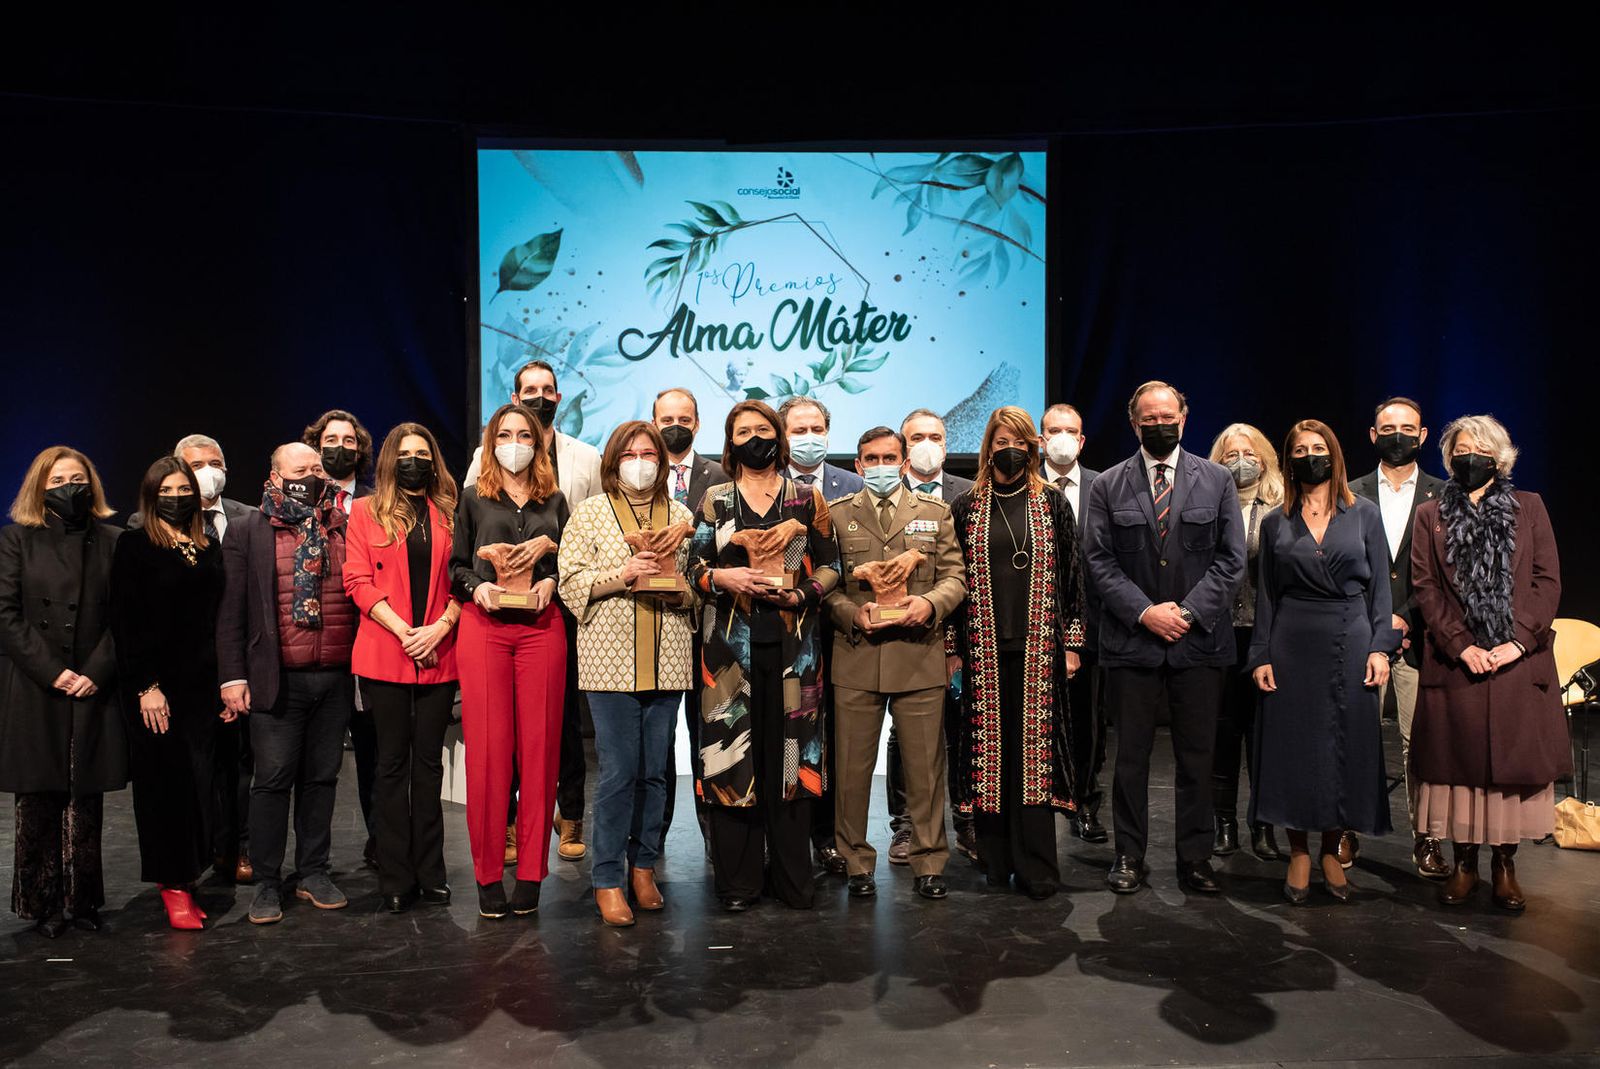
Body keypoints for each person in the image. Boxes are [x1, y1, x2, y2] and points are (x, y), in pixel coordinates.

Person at [1083, 381, 1245, 896]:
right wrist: (1146, 612)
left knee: (1197, 758)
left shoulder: (1217, 480)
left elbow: (1231, 560)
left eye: (1167, 415)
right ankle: (1128, 855)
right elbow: (1098, 562)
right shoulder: (1107, 485)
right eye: (1148, 418)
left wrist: (1190, 613)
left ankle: (1195, 859)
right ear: (1134, 424)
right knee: (1129, 760)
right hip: (1132, 645)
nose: (1159, 424)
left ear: (1184, 416)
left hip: (1200, 646)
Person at [687, 400, 840, 911]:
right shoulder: (716, 500)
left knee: (791, 760)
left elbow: (831, 566)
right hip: (730, 655)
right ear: (730, 443)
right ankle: (739, 883)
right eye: (744, 431)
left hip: (795, 651)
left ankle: (795, 878)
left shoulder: (806, 498)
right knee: (735, 758)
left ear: (779, 437)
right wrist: (721, 577)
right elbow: (694, 571)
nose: (755, 438)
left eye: (764, 429)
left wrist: (803, 594)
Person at [1410, 415, 1567, 913]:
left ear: (1500, 457)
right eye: (1459, 449)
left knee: (1506, 769)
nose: (1468, 456)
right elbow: (1425, 588)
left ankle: (1504, 865)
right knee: (1459, 769)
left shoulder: (1530, 508)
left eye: (1479, 448)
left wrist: (1519, 641)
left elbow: (1547, 581)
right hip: (1459, 665)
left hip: (1517, 661)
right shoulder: (1429, 513)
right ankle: (1463, 865)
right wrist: (1461, 646)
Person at [1248, 420, 1398, 903]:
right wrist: (1262, 654)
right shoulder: (1275, 522)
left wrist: (1380, 647)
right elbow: (1266, 596)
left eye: (1318, 448)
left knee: (1343, 746)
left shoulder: (1365, 515)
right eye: (1300, 450)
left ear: (1333, 455)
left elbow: (1381, 592)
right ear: (1288, 460)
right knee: (1293, 749)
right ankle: (1297, 852)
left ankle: (1332, 850)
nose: (1309, 456)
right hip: (1292, 641)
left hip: (1350, 639)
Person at [557, 421, 697, 926]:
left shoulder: (681, 516)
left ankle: (644, 867)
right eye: (629, 453)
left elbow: (697, 592)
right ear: (613, 462)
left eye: (648, 452)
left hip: (667, 656)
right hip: (609, 661)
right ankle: (608, 877)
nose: (640, 461)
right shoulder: (589, 515)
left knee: (655, 773)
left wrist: (677, 588)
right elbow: (569, 582)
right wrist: (624, 576)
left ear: (662, 460)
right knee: (618, 771)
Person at [947, 406, 1086, 898]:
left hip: (1038, 650)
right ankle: (996, 863)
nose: (1012, 447)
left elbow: (1073, 578)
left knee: (1033, 759)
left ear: (1033, 447)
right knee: (991, 757)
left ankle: (1038, 867)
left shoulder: (1051, 503)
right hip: (981, 649)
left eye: (1021, 440)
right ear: (989, 445)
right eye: (1003, 438)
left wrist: (1071, 645)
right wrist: (952, 652)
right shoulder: (966, 505)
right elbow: (953, 583)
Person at [217, 443, 358, 925]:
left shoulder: (344, 524)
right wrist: (232, 677)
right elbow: (231, 612)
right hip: (276, 680)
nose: (313, 476)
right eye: (301, 470)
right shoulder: (247, 531)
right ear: (274, 477)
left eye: (317, 469)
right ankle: (267, 882)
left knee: (321, 780)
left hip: (334, 677)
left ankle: (314, 871)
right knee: (272, 782)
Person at [467, 360, 600, 865]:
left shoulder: (583, 459)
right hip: (498, 614)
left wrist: (553, 579)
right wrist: (482, 587)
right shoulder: (483, 462)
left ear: (559, 396)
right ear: (514, 396)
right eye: (530, 390)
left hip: (560, 612)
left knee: (562, 722)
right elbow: (472, 534)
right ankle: (507, 824)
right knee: (505, 728)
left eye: (548, 390)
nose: (539, 397)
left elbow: (583, 538)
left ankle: (570, 815)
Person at [825, 426, 967, 900]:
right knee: (851, 769)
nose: (882, 465)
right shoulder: (837, 515)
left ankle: (929, 861)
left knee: (925, 769)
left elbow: (955, 577)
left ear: (903, 463)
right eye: (872, 458)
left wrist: (930, 605)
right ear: (859, 466)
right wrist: (851, 612)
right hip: (857, 657)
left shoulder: (935, 512)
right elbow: (828, 588)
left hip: (918, 655)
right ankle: (856, 862)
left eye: (890, 457)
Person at [450, 402, 570, 919]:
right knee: (490, 756)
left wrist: (551, 580)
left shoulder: (557, 499)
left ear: (537, 443)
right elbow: (457, 564)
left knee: (540, 754)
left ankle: (531, 874)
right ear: (490, 442)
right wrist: (477, 590)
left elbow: (571, 560)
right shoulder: (473, 498)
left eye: (524, 434)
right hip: (486, 632)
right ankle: (485, 874)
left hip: (543, 631)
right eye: (505, 434)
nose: (515, 442)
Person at [0, 447, 125, 937]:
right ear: (39, 487)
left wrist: (96, 668)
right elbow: (6, 615)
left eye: (77, 478)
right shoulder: (16, 541)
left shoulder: (115, 540)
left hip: (93, 681)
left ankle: (83, 901)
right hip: (37, 684)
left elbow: (126, 617)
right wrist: (53, 671)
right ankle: (42, 902)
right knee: (39, 794)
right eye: (58, 480)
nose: (69, 487)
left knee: (84, 794)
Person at [343, 423, 461, 914]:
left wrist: (437, 628)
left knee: (429, 767)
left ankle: (430, 872)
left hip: (439, 650)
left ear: (434, 460)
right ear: (391, 460)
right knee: (390, 767)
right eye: (406, 454)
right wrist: (404, 632)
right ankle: (394, 876)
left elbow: (463, 580)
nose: (415, 461)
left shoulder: (451, 513)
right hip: (385, 652)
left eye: (423, 453)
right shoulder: (365, 512)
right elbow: (356, 580)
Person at [110, 457, 226, 929]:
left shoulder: (206, 543)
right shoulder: (135, 545)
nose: (177, 497)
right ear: (151, 495)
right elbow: (125, 621)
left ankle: (190, 877)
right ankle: (172, 886)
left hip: (201, 687)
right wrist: (146, 687)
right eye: (167, 490)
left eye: (184, 489)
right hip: (155, 689)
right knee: (164, 788)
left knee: (201, 786)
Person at [1349, 397, 1449, 878]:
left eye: (1408, 427)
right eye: (1388, 427)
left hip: (1421, 638)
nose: (1398, 435)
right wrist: (1377, 620)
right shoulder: (1349, 493)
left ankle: (1427, 839)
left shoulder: (1444, 495)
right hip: (1362, 636)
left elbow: (1446, 575)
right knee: (1355, 734)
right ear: (1373, 435)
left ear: (1423, 435)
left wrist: (1406, 616)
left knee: (1421, 743)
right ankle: (1343, 828)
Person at [883, 408, 975, 864]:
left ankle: (966, 821)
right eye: (916, 437)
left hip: (961, 633)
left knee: (962, 730)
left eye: (935, 436)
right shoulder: (884, 500)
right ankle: (904, 827)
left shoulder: (969, 493)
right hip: (905, 638)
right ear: (902, 449)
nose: (927, 444)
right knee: (904, 736)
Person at [776, 394, 860, 874]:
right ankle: (788, 826)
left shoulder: (851, 485)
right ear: (783, 436)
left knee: (828, 737)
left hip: (837, 631)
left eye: (817, 428)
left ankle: (825, 835)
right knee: (791, 735)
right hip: (786, 631)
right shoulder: (763, 486)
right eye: (798, 430)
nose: (809, 437)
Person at [303, 409, 379, 868]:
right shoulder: (299, 505)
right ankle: (312, 860)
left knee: (375, 753)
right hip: (320, 647)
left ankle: (380, 843)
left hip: (373, 639)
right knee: (317, 764)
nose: (340, 447)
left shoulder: (378, 501)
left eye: (349, 440)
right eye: (330, 439)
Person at [1207, 423, 1286, 862]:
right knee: (1223, 735)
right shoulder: (1209, 502)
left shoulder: (1281, 506)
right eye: (1232, 453)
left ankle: (1263, 826)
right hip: (1219, 636)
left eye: (1249, 452)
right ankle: (1224, 824)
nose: (1242, 460)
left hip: (1266, 637)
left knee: (1264, 737)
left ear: (1264, 458)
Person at [652, 386, 725, 852]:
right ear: (654, 422)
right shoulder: (635, 476)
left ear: (697, 424)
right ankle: (651, 840)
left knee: (711, 736)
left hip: (714, 631)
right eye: (666, 419)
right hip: (657, 628)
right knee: (657, 745)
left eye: (684, 418)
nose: (675, 426)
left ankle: (715, 835)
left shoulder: (721, 475)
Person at [1039, 403, 1108, 844]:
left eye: (1071, 431)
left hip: (1095, 627)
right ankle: (1039, 804)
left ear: (1082, 441)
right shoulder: (1020, 485)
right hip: (1034, 623)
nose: (1062, 437)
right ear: (1040, 439)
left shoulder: (1106, 486)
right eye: (1053, 430)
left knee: (1088, 723)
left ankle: (1084, 803)